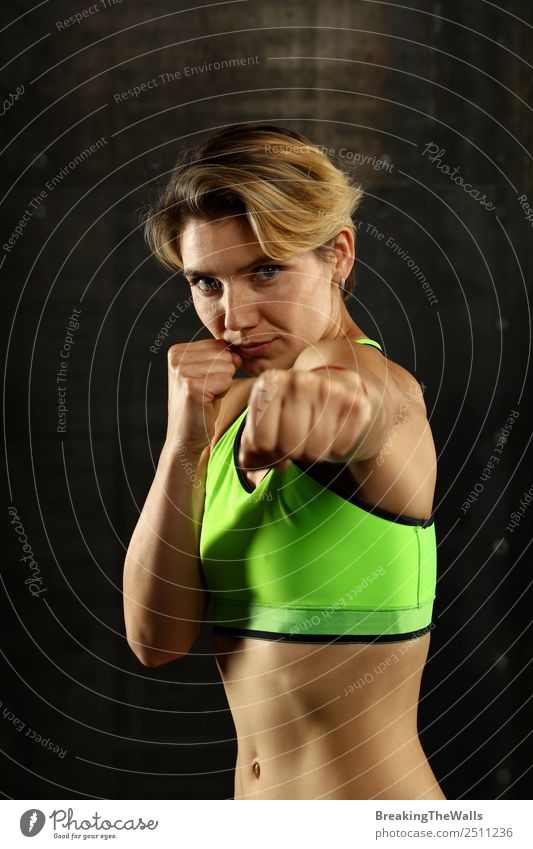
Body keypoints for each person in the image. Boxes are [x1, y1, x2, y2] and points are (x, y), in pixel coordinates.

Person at [123, 122, 446, 800]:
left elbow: (370, 404)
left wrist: (327, 403)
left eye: (265, 271)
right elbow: (155, 638)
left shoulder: (362, 376)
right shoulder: (220, 411)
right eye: (205, 282)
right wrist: (185, 441)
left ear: (338, 255)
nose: (232, 316)